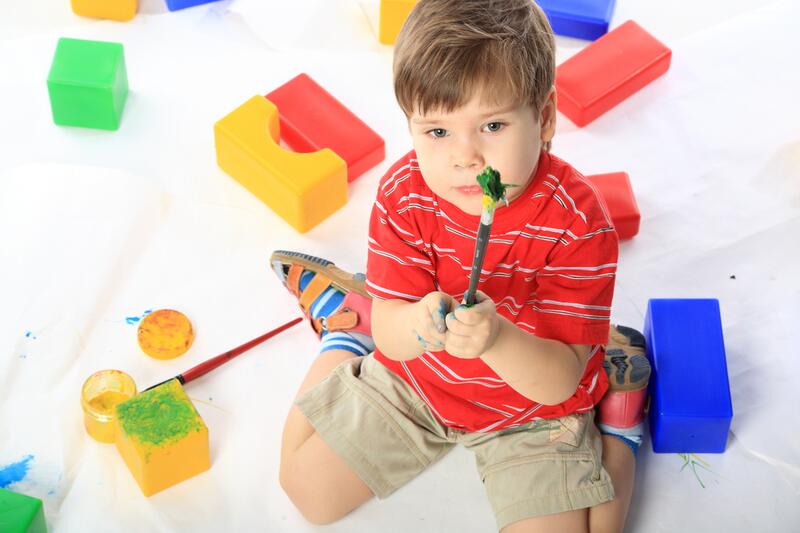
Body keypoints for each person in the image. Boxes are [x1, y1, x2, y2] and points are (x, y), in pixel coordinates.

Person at [271, 1, 650, 531]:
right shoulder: (404, 195)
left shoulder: (578, 221)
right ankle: (346, 330)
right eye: (437, 132)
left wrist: (496, 338)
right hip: (418, 383)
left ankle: (621, 423)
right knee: (306, 490)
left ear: (544, 118)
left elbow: (559, 381)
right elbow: (394, 338)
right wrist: (412, 323)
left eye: (492, 125)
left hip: (533, 410)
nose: (465, 157)